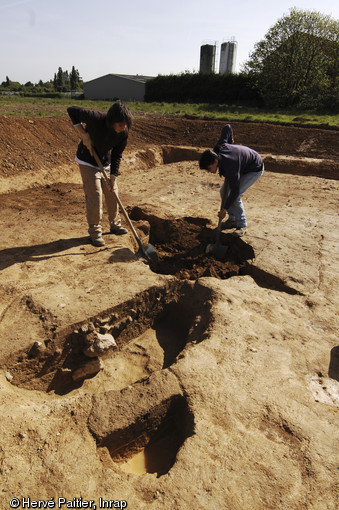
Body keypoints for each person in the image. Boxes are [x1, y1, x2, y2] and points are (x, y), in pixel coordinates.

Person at [67, 101, 133, 247]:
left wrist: (113, 175)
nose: (123, 128)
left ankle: (115, 225)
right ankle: (95, 231)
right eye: (120, 125)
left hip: (105, 162)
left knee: (112, 192)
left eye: (125, 125)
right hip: (87, 161)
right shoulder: (96, 117)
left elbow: (117, 154)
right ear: (112, 121)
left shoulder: (124, 133)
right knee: (95, 194)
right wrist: (84, 135)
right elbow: (71, 110)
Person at [199, 124, 264, 237]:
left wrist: (224, 208)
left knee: (233, 194)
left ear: (215, 161)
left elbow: (234, 191)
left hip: (254, 168)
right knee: (222, 192)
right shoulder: (219, 147)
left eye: (209, 168)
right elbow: (227, 127)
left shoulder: (230, 166)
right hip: (242, 165)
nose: (209, 172)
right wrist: (230, 140)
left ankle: (242, 224)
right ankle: (232, 219)